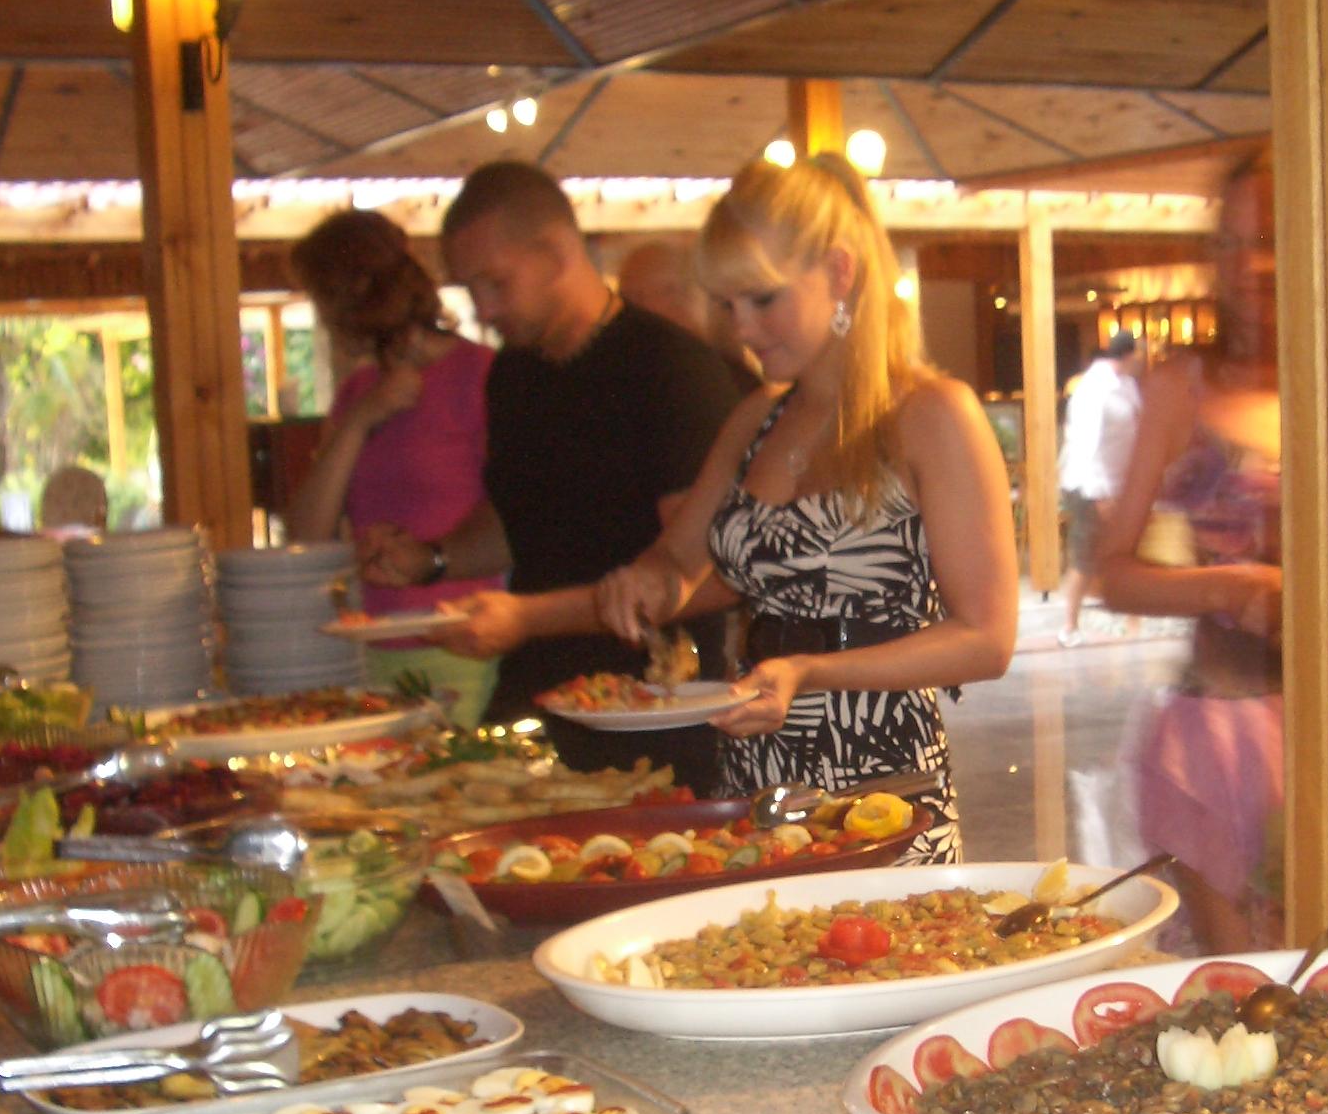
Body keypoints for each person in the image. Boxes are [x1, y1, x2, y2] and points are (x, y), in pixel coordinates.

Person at [442, 153, 1018, 863]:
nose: (741, 327)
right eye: (726, 304)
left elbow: (987, 640)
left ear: (839, 273)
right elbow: (678, 559)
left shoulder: (930, 414)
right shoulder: (757, 419)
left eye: (762, 299)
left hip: (881, 780)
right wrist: (643, 582)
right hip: (755, 769)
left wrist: (809, 671)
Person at [360, 161, 743, 787]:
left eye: (495, 283)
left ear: (557, 251)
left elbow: (714, 577)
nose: (482, 312)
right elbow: (520, 517)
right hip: (533, 706)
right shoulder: (513, 374)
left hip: (652, 717)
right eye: (469, 289)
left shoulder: (671, 371)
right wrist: (431, 559)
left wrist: (529, 616)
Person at [1092, 159, 1283, 953]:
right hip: (1224, 733)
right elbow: (1114, 572)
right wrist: (1233, 584)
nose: (1244, 266)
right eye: (1228, 241)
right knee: (1253, 994)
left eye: (1266, 240)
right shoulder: (1184, 387)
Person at [288, 208, 504, 728]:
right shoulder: (356, 395)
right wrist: (360, 421)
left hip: (464, 645)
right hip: (376, 645)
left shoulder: (480, 376)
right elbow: (306, 534)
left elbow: (514, 512)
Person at [1055, 330, 1143, 647]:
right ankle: (1069, 625)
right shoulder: (1094, 388)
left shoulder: (1128, 385)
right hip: (1090, 485)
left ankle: (1133, 622)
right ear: (1129, 356)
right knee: (1087, 556)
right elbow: (1086, 445)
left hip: (1119, 483)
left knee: (1124, 553)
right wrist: (1101, 494)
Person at [619, 238, 762, 393]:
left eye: (634, 297)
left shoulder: (712, 381)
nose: (624, 309)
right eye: (626, 297)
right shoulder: (629, 376)